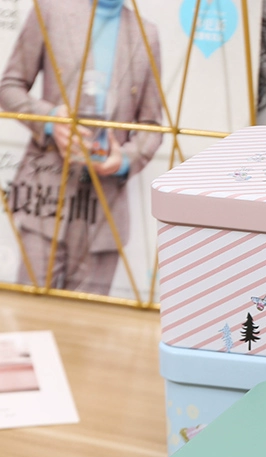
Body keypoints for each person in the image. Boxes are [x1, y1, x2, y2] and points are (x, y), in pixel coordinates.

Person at [0, 0, 163, 295]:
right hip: (46, 197)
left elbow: (152, 125)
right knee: (32, 313)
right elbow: (9, 87)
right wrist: (51, 120)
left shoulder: (146, 33)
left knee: (88, 319)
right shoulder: (50, 10)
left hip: (105, 210)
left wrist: (124, 159)